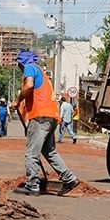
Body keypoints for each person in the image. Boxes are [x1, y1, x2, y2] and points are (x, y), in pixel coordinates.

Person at [10, 49, 79, 197]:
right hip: (51, 116)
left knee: (31, 153)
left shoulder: (30, 67)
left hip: (40, 117)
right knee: (49, 151)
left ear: (22, 62)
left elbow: (28, 86)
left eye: (19, 64)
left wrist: (18, 100)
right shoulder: (41, 71)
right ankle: (69, 178)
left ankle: (32, 185)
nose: (19, 68)